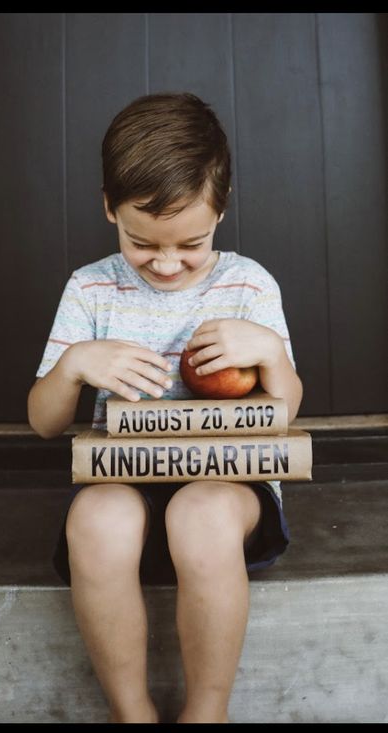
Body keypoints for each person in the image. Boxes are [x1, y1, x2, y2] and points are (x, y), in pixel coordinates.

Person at [27, 92, 303, 724]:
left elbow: (284, 412)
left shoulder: (248, 285)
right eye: (142, 243)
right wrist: (74, 366)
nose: (168, 264)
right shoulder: (90, 289)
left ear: (221, 209)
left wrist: (268, 354)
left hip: (225, 500)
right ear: (109, 208)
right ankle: (134, 713)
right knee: (96, 521)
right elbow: (43, 422)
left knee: (200, 513)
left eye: (191, 244)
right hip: (124, 493)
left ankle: (208, 713)